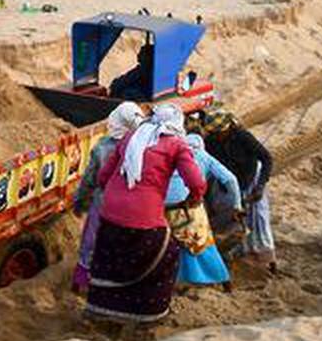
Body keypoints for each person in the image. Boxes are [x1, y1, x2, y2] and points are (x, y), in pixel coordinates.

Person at [87, 103, 205, 328]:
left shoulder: (131, 136)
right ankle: (148, 316)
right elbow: (196, 181)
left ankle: (98, 310)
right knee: (166, 256)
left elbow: (104, 176)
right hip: (145, 216)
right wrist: (196, 197)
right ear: (177, 124)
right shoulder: (177, 145)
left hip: (110, 211)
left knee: (110, 259)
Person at [71, 101, 146, 292]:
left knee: (91, 240)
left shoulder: (102, 147)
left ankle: (81, 282)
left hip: (103, 201)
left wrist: (79, 201)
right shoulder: (143, 146)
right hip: (132, 202)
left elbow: (90, 178)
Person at [199, 110, 277, 270]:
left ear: (228, 129)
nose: (215, 135)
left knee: (258, 218)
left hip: (251, 180)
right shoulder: (211, 142)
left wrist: (260, 186)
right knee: (231, 217)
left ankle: (265, 257)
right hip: (230, 182)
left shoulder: (243, 137)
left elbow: (267, 158)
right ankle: (237, 253)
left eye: (218, 132)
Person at [166, 133, 243, 290]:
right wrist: (237, 205)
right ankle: (224, 281)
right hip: (192, 206)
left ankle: (180, 280)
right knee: (203, 243)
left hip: (166, 208)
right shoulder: (204, 156)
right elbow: (230, 180)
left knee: (175, 245)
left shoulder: (171, 153)